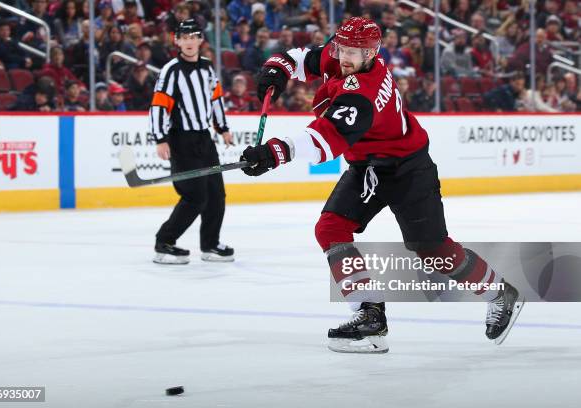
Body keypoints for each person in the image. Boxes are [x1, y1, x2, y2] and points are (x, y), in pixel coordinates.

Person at [242, 17, 524, 353]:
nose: (344, 56)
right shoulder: (343, 55)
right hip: (368, 166)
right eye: (341, 47)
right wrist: (276, 70)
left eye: (354, 51)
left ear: (371, 54)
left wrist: (275, 152)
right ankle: (370, 315)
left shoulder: (364, 89)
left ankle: (500, 292)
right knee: (330, 228)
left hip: (408, 168)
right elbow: (301, 58)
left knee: (435, 252)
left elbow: (328, 140)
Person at [148, 19, 234, 265]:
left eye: (193, 36)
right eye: (183, 37)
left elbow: (215, 99)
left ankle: (210, 245)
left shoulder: (207, 68)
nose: (188, 41)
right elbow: (158, 106)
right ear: (177, 40)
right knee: (195, 196)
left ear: (200, 40)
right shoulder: (170, 71)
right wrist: (160, 139)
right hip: (181, 140)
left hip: (204, 139)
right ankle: (164, 243)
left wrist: (223, 129)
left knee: (216, 194)